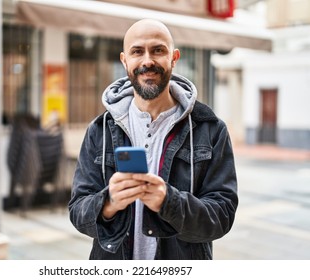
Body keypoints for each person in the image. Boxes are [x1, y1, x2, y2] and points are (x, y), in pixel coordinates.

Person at [68, 19, 238, 260]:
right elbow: (77, 211)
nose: (147, 60)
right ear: (124, 60)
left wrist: (170, 202)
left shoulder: (210, 129)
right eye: (137, 51)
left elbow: (222, 216)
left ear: (174, 58)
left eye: (158, 50)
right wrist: (109, 203)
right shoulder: (100, 129)